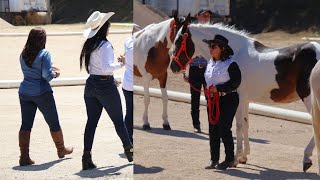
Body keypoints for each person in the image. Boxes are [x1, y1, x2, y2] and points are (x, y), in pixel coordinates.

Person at [80, 11, 133, 170]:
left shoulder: (90, 43)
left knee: (91, 122)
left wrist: (110, 76)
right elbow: (106, 67)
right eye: (108, 25)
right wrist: (121, 64)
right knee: (118, 120)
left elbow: (93, 68)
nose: (109, 27)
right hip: (104, 85)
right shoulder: (105, 45)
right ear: (104, 28)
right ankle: (129, 149)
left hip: (91, 84)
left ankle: (86, 156)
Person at [18, 27, 73, 166]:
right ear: (42, 39)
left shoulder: (23, 53)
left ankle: (24, 157)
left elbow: (32, 69)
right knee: (53, 122)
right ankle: (61, 149)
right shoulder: (44, 53)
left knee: (26, 125)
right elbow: (46, 76)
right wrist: (56, 73)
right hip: (41, 92)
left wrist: (48, 68)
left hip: (25, 92)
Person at [203, 34, 241, 170]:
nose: (210, 49)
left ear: (222, 48)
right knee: (213, 129)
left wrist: (218, 89)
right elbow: (207, 80)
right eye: (210, 46)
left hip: (228, 99)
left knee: (224, 128)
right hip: (213, 100)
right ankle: (214, 160)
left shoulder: (231, 64)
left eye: (214, 46)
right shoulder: (210, 62)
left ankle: (229, 159)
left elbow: (236, 82)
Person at [187, 9, 213, 133]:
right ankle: (196, 125)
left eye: (208, 16)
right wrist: (184, 72)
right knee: (195, 99)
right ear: (197, 17)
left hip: (209, 70)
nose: (207, 17)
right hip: (194, 69)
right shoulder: (191, 31)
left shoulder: (213, 32)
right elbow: (186, 52)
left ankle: (212, 125)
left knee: (211, 99)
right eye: (204, 15)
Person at [121, 24, 141, 143]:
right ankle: (128, 139)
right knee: (132, 114)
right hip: (134, 84)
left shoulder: (127, 42)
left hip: (127, 84)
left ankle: (127, 139)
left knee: (129, 113)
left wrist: (123, 57)